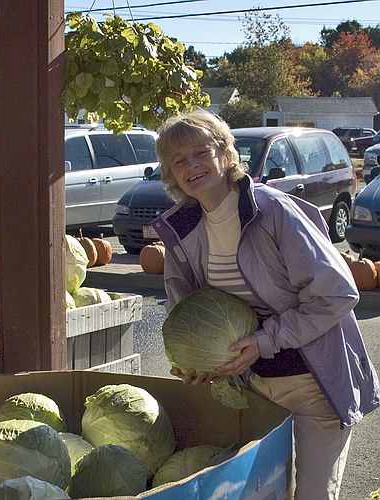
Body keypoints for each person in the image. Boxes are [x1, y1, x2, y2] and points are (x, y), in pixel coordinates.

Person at [150, 110, 380, 500]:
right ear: (171, 174)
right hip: (251, 387)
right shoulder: (182, 231)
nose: (192, 166)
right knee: (262, 493)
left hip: (313, 381)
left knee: (312, 495)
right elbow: (188, 316)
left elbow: (337, 293)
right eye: (179, 160)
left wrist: (264, 341)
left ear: (224, 153)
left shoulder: (274, 212)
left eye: (201, 152)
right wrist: (198, 362)